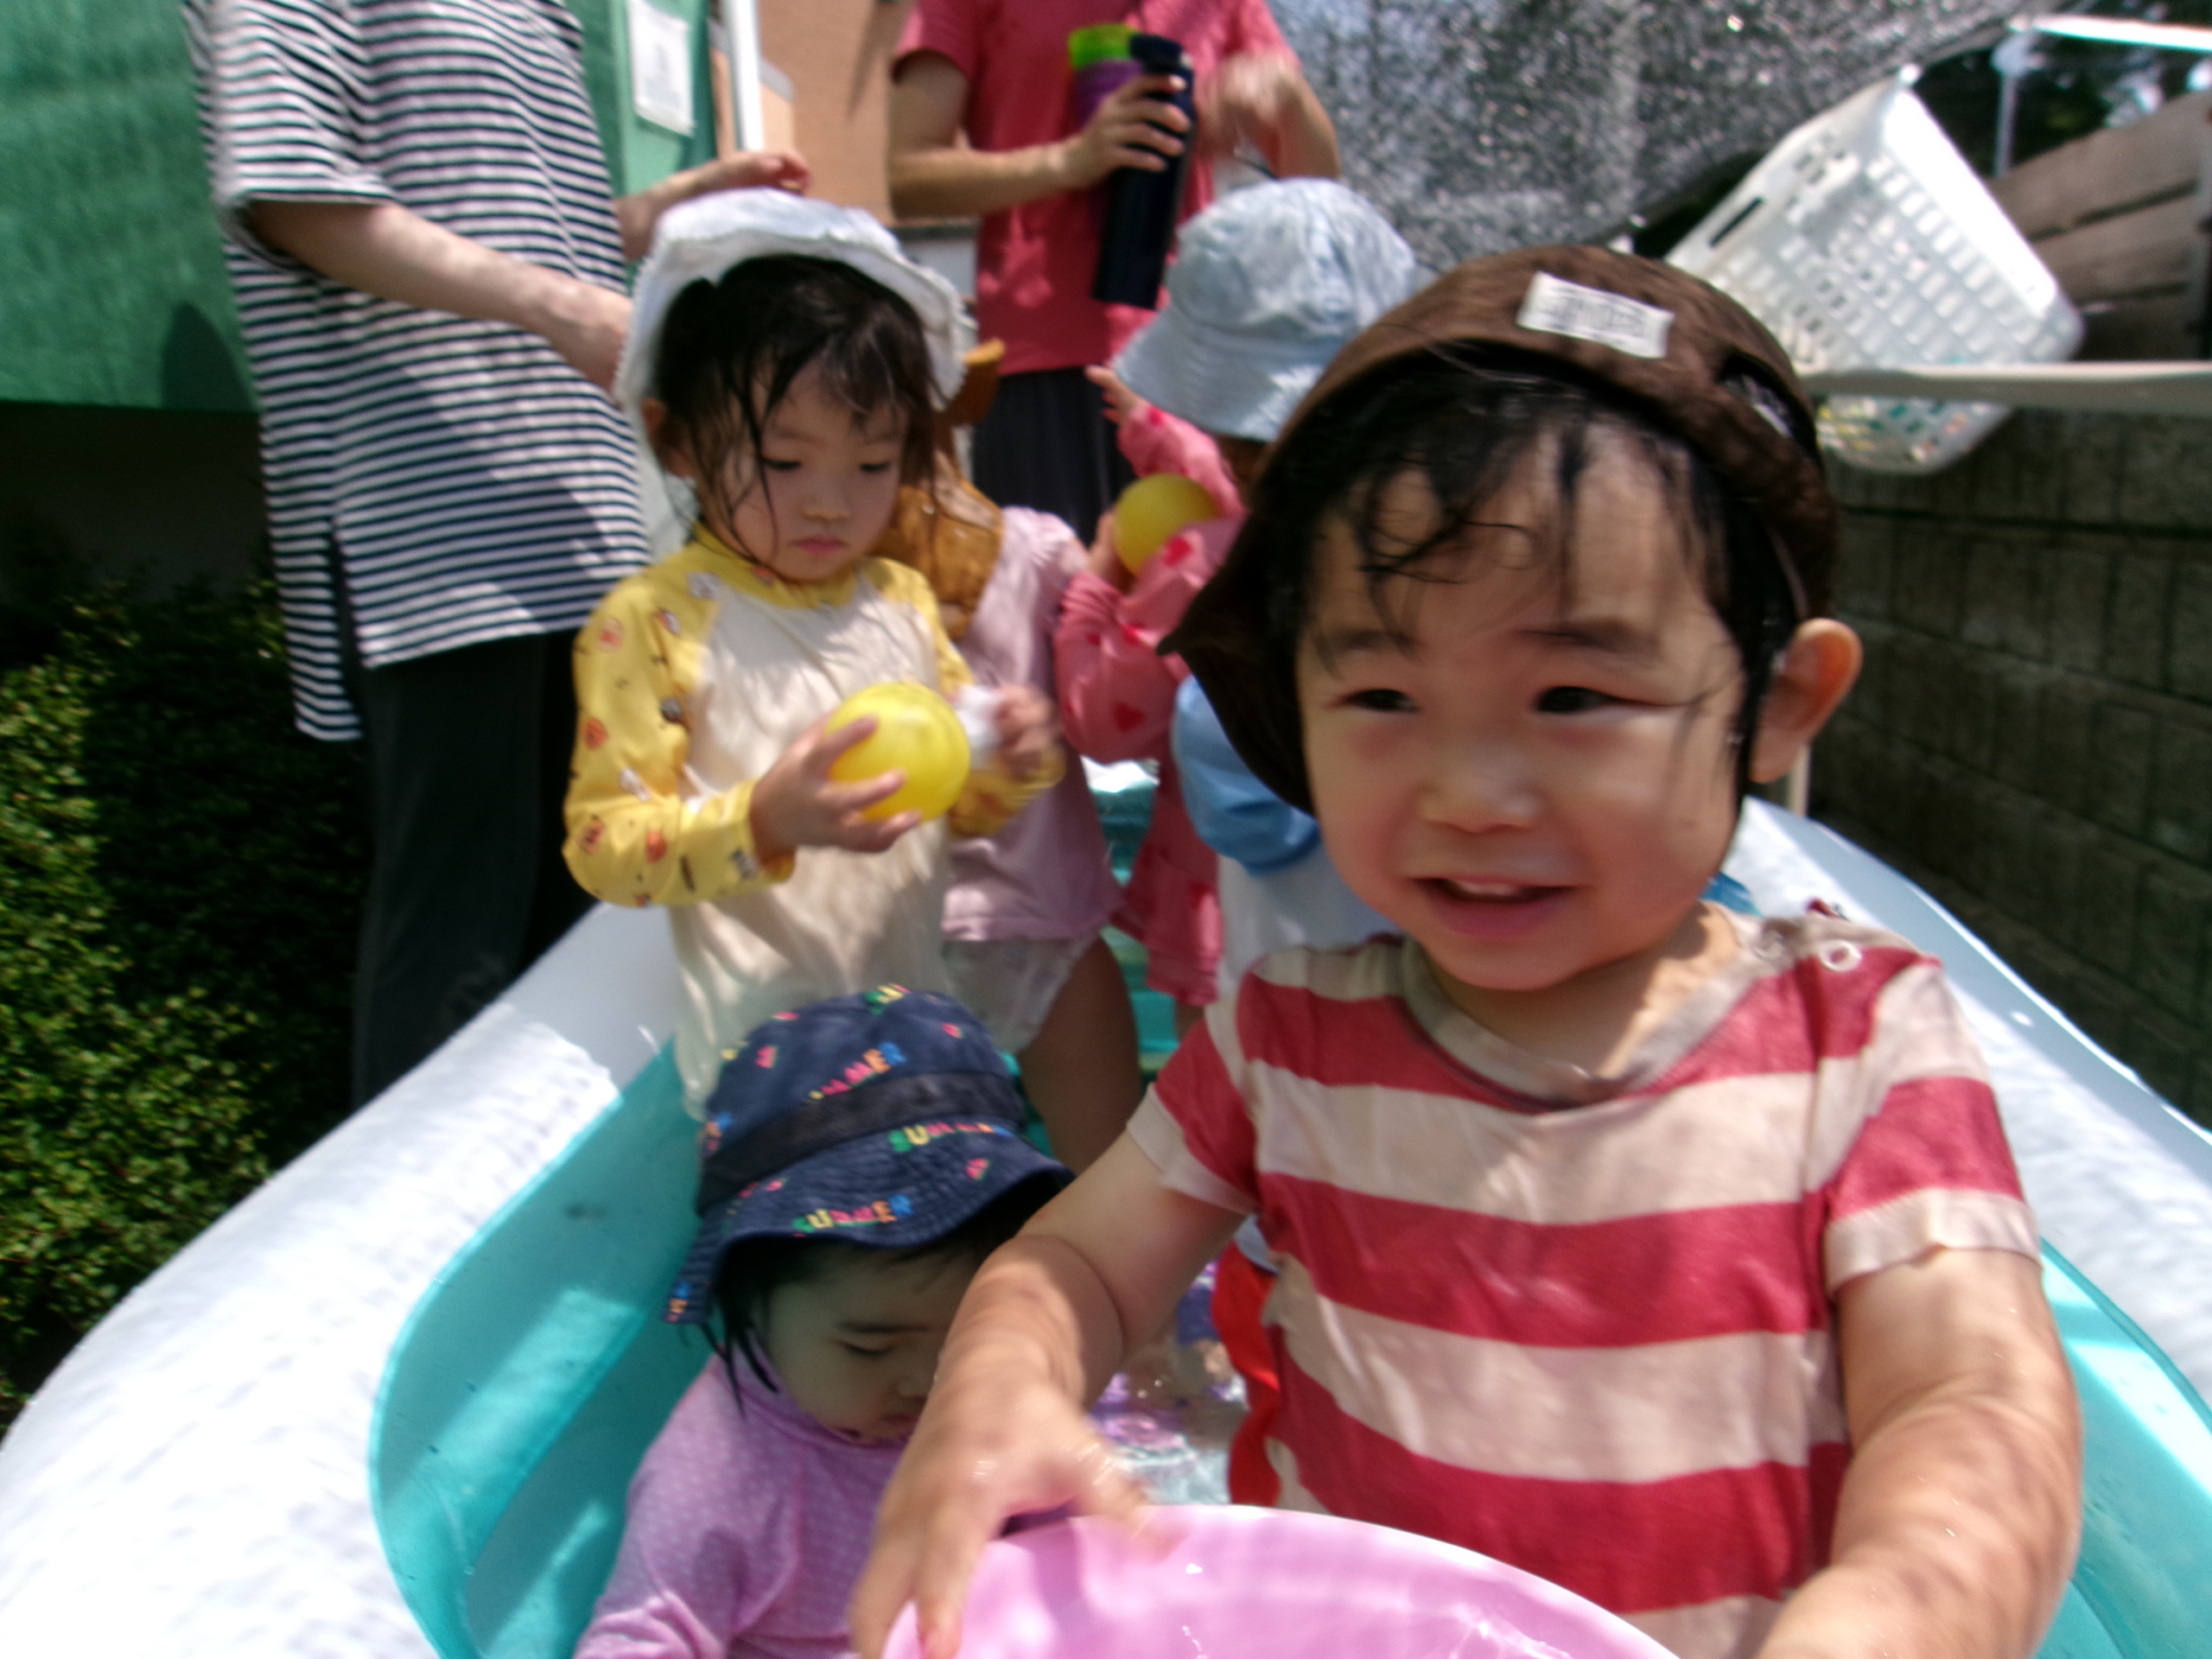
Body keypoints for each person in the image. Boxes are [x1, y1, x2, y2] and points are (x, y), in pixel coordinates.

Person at [849, 249, 2083, 1659]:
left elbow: (1974, 1400)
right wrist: (1000, 1383)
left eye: (1573, 696)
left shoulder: (1856, 1046)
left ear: (1782, 699)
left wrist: (1897, 1612)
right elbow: (1079, 1259)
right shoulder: (1286, 1041)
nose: (1469, 794)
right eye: (1384, 694)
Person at [182, 0, 810, 1103]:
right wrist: (559, 305)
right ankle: (409, 1214)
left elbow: (509, 234)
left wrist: (663, 215)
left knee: (589, 923)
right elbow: (291, 194)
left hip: (577, 525)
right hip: (429, 529)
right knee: (458, 938)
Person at [563, 190, 1063, 1112]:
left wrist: (1005, 758)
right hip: (769, 1078)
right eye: (784, 462)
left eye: (872, 463)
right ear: (677, 441)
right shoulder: (654, 623)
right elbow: (605, 847)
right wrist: (762, 820)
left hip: (915, 1039)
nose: (830, 502)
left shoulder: (901, 602)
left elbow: (955, 813)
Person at [575, 985, 1070, 1659]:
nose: (929, 1383)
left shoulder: (1005, 1396)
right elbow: (643, 1635)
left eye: (972, 1335)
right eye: (871, 1348)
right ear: (751, 1303)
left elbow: (1064, 1552)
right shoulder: (720, 1475)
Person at [1056, 179, 1417, 1026]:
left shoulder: (1201, 571)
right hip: (1410, 924)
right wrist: (1156, 432)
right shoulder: (1432, 556)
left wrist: (1095, 585)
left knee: (1229, 1089)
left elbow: (1099, 719)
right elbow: (1256, 477)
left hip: (1233, 931)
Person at [887, 0, 1341, 540]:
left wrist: (1288, 96)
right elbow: (909, 177)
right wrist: (1071, 160)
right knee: (1051, 587)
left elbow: (1318, 190)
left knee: (1200, 586)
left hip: (1189, 363)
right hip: (1042, 366)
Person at [874, 411, 1141, 1172]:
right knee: (1106, 1171)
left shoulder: (1030, 552)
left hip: (1002, 932)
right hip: (962, 931)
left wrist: (1108, 577)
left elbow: (1105, 691)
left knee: (1113, 1175)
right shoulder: (817, 592)